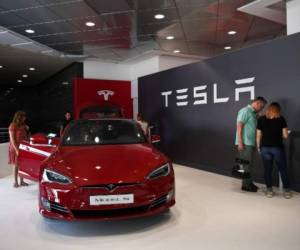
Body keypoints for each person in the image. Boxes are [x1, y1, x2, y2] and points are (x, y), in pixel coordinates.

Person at [256, 102, 292, 198]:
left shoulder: (261, 119)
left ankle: (269, 191)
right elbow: (285, 135)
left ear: (268, 109)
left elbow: (258, 135)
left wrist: (258, 147)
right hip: (277, 148)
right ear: (278, 110)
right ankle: (287, 191)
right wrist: (278, 134)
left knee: (267, 170)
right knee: (283, 170)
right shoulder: (281, 119)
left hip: (265, 148)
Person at [235, 96, 267, 192]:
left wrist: (258, 116)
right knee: (245, 165)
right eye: (261, 107)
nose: (262, 109)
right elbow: (239, 127)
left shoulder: (253, 113)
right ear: (257, 103)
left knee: (249, 164)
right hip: (245, 142)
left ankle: (249, 182)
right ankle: (245, 185)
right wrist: (240, 142)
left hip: (250, 142)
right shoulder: (245, 111)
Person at [8, 111, 30, 188]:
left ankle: (22, 181)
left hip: (22, 147)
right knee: (16, 165)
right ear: (19, 117)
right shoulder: (12, 126)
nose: (25, 118)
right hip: (15, 148)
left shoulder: (23, 126)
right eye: (23, 116)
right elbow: (12, 140)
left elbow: (25, 137)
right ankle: (15, 182)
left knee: (22, 165)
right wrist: (17, 150)